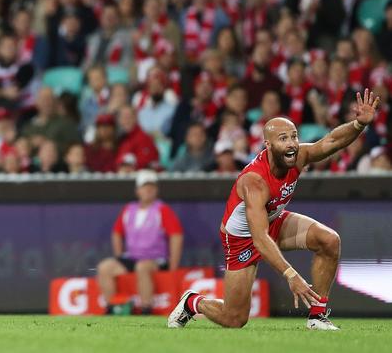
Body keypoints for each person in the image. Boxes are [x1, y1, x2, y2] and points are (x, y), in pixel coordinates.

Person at [169, 89, 380, 331]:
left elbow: (330, 142)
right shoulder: (254, 182)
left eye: (294, 136)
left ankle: (317, 316)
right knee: (234, 319)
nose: (291, 144)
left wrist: (357, 124)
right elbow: (259, 238)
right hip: (242, 239)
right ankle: (192, 302)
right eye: (283, 139)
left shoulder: (298, 155)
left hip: (273, 222)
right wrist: (292, 275)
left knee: (329, 240)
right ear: (268, 145)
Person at [97, 170, 184, 314]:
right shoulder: (128, 209)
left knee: (142, 267)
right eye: (145, 186)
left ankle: (146, 308)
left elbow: (176, 236)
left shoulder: (162, 209)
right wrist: (119, 255)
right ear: (137, 190)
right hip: (132, 256)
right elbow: (117, 232)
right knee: (104, 267)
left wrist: (173, 265)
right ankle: (112, 307)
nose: (148, 190)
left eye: (152, 187)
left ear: (156, 190)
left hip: (156, 259)